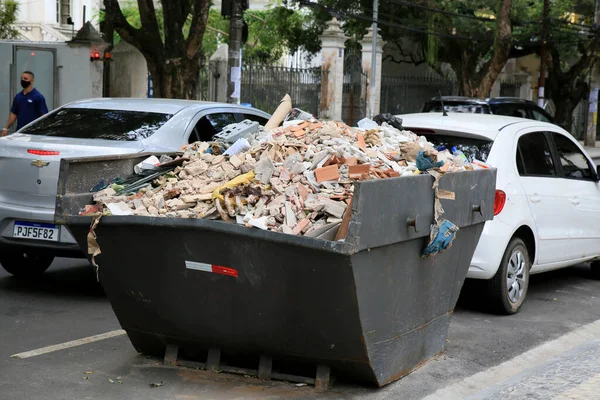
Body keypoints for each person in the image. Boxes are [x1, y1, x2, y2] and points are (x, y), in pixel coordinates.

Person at [2, 71, 48, 136]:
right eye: (21, 78)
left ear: (31, 81)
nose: (22, 80)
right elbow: (13, 115)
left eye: (25, 79)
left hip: (33, 133)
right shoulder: (18, 97)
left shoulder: (38, 97)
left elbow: (44, 116)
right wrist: (6, 128)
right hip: (19, 132)